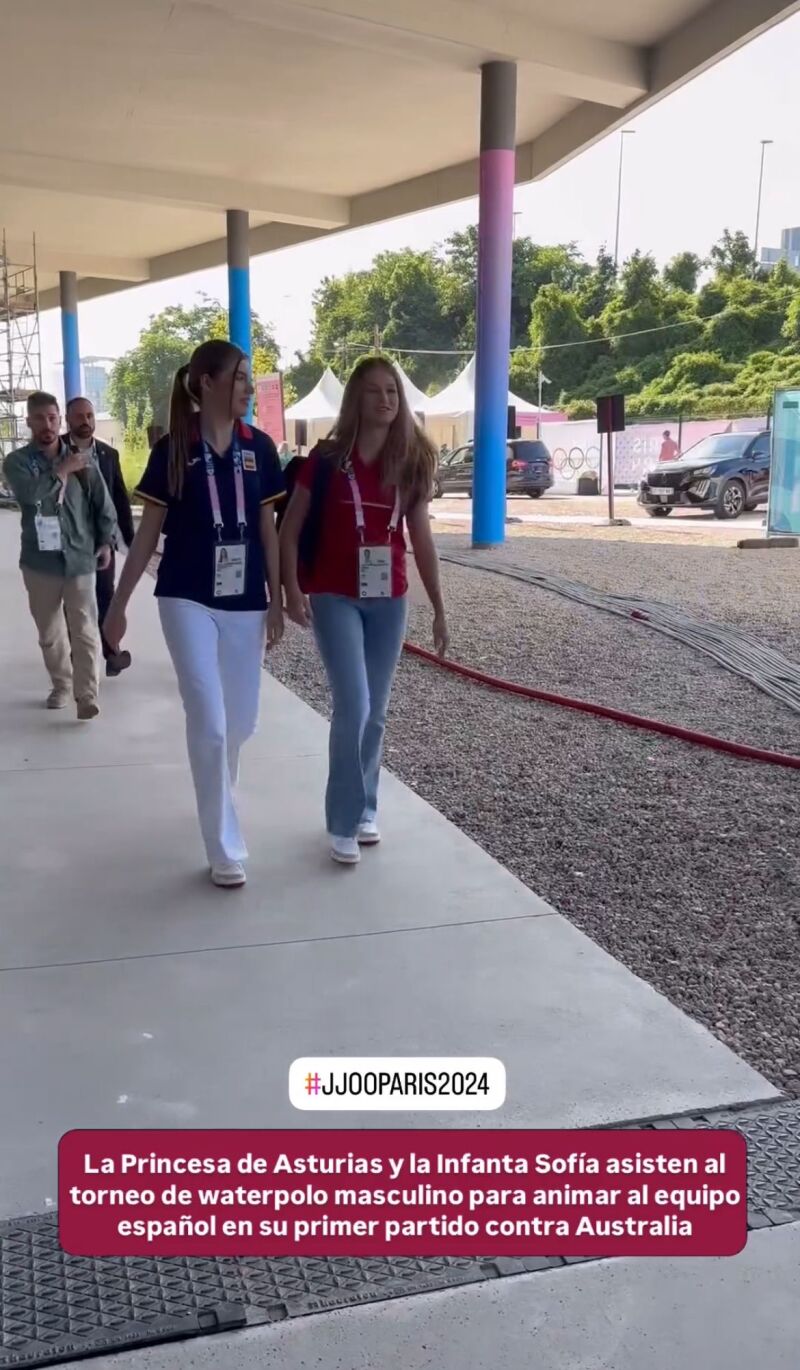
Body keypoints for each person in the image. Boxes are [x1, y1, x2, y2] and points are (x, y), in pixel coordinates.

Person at [102, 341, 285, 889]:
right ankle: (224, 846)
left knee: (240, 723)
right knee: (208, 721)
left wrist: (276, 598)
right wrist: (117, 606)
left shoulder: (262, 448)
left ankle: (217, 796)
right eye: (239, 378)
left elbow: (268, 531)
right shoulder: (173, 452)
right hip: (185, 597)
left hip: (246, 603)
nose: (248, 387)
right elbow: (145, 539)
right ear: (206, 383)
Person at [279, 356, 449, 866]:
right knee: (351, 704)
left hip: (388, 599)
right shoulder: (327, 459)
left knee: (376, 709)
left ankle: (368, 806)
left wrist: (439, 608)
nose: (386, 400)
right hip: (334, 595)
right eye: (374, 391)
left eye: (392, 392)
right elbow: (290, 528)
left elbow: (421, 538)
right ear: (357, 399)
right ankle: (342, 819)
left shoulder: (412, 460)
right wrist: (289, 589)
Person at [3, 391, 117, 720]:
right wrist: (62, 470)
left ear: (59, 420)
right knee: (50, 634)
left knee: (83, 630)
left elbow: (103, 503)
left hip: (81, 558)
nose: (47, 424)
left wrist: (106, 541)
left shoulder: (84, 459)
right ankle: (62, 685)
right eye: (39, 418)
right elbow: (29, 495)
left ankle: (86, 695)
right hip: (40, 563)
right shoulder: (18, 462)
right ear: (29, 422)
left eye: (52, 418)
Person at [65, 397, 136, 677]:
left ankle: (111, 652)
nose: (86, 421)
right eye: (80, 416)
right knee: (74, 599)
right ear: (68, 420)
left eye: (90, 416)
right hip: (69, 542)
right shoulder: (56, 450)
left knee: (106, 594)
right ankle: (77, 656)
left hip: (102, 540)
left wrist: (128, 539)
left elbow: (119, 497)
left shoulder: (108, 454)